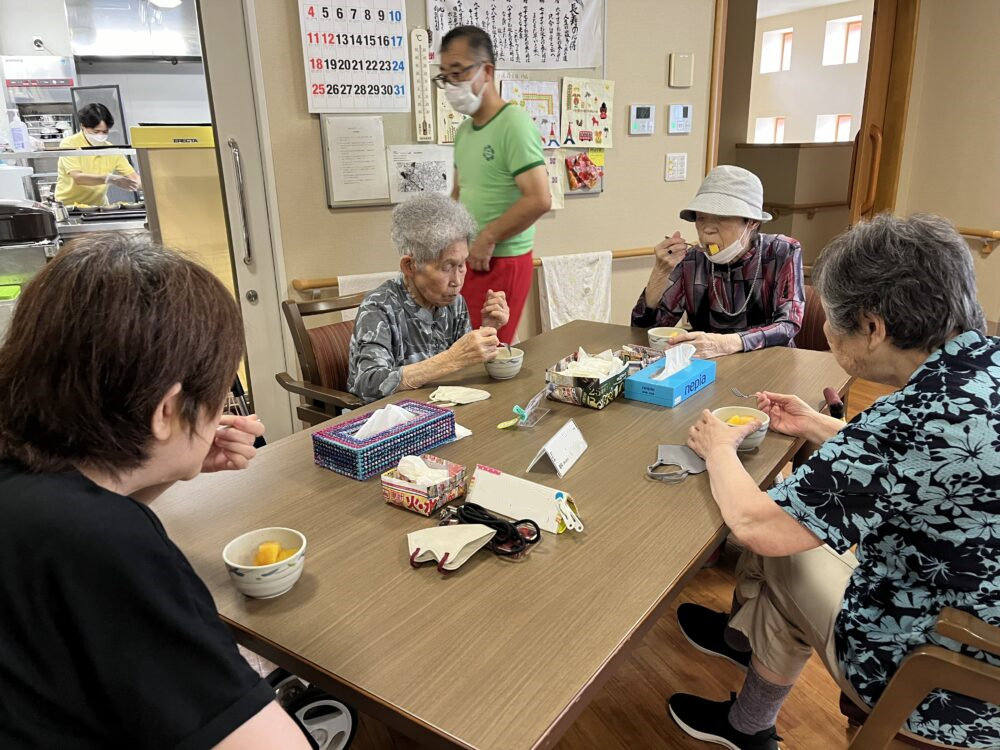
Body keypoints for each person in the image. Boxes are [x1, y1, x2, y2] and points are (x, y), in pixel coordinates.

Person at [668, 214, 1000, 750]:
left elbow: (759, 527)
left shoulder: (908, 418)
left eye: (832, 317)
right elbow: (920, 466)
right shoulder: (983, 368)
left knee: (782, 551)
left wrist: (718, 450)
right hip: (980, 615)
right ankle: (742, 662)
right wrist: (818, 425)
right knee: (793, 543)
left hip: (941, 669)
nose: (823, 327)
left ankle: (747, 714)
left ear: (873, 327)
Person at [0, 233, 310, 749]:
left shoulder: (34, 490)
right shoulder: (102, 542)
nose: (224, 413)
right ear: (167, 410)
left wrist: (166, 466)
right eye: (222, 395)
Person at [440, 25, 551, 344]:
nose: (452, 83)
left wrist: (487, 237)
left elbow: (539, 198)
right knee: (458, 350)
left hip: (501, 258)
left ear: (487, 71)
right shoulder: (464, 131)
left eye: (459, 72)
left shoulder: (513, 123)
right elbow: (460, 194)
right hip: (468, 258)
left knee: (486, 353)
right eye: (446, 75)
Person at [347, 193, 509, 403]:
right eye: (447, 267)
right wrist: (451, 359)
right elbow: (368, 384)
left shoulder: (453, 302)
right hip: (389, 421)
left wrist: (488, 329)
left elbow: (463, 369)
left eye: (462, 265)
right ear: (410, 266)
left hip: (441, 410)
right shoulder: (379, 307)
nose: (457, 280)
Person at [631, 165, 805, 358]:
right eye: (701, 217)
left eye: (721, 217)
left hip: (771, 362)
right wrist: (660, 273)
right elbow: (646, 332)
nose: (707, 229)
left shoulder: (782, 251)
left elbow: (789, 324)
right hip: (708, 366)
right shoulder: (691, 259)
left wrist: (728, 343)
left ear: (752, 222)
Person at [55, 102, 142, 206]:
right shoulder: (70, 144)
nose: (101, 135)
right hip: (69, 206)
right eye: (96, 132)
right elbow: (79, 178)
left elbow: (134, 178)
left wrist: (145, 184)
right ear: (83, 126)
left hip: (98, 207)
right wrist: (110, 179)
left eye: (105, 132)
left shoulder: (111, 149)